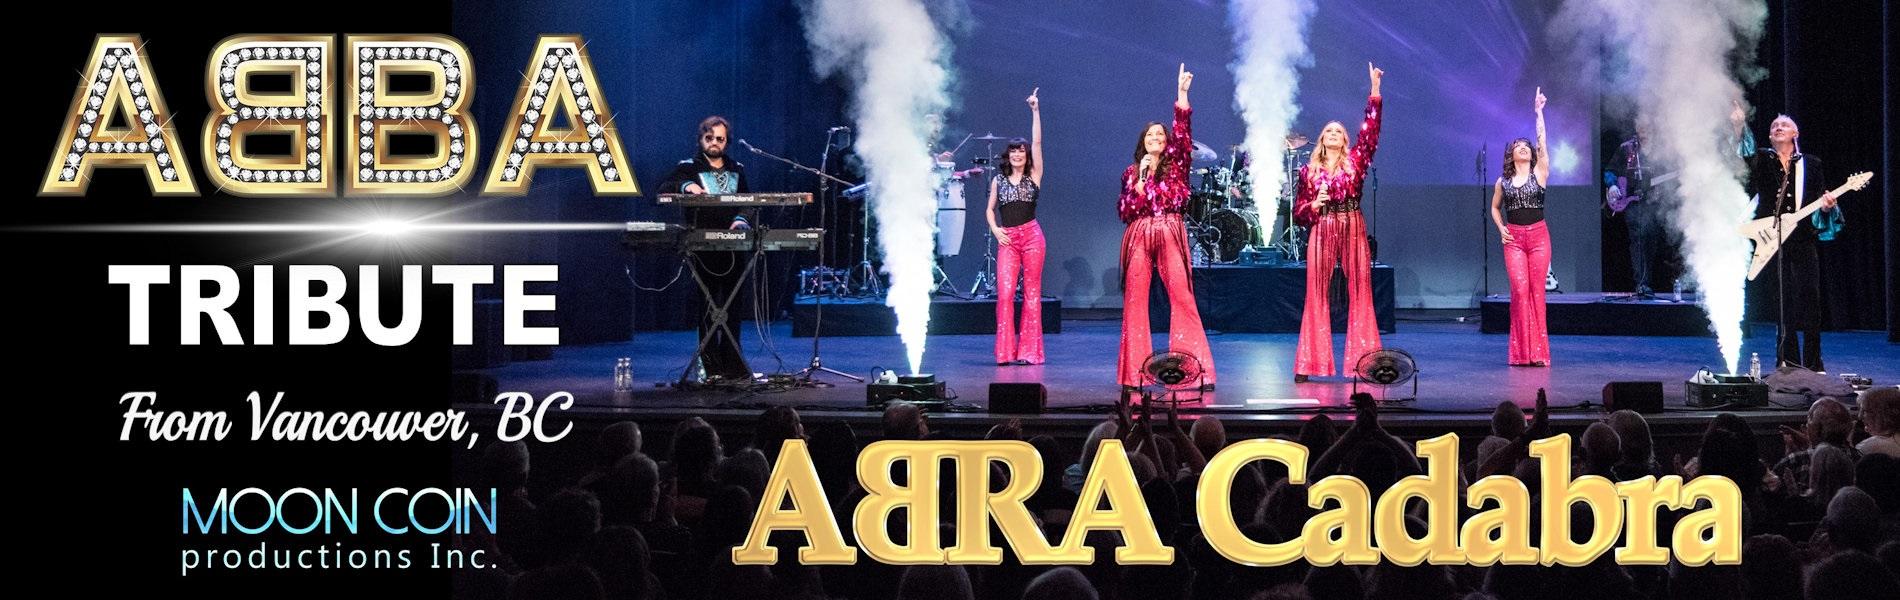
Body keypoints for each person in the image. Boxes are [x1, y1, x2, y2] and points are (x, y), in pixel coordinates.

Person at [1117, 64, 1216, 390]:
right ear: (1142, 144)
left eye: (1160, 134)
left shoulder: (1177, 167)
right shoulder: (1132, 173)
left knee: (1182, 296)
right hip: (1139, 234)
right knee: (1134, 301)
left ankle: (1193, 368)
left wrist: (1182, 97)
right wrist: (1141, 182)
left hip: (1170, 230)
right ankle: (1134, 373)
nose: (1156, 138)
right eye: (1150, 135)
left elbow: (1184, 134)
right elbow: (1125, 209)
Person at [1731, 104, 1843, 371]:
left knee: (1811, 300)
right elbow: (1744, 154)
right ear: (1770, 138)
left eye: (1784, 125)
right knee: (1784, 304)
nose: (1778, 128)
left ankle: (1814, 363)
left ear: (1796, 133)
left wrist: (1827, 205)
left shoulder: (1812, 164)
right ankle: (1788, 362)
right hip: (1773, 241)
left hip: (1803, 239)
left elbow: (1818, 198)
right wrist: (1738, 126)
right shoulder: (1762, 160)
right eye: (1773, 127)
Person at [1292, 63, 1385, 383]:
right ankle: (1310, 362)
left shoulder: (1357, 160)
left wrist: (1374, 91)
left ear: (1345, 139)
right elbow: (1298, 212)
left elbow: (1370, 133)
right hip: (1323, 226)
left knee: (1360, 289)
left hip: (1351, 222)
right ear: (1321, 140)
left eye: (1338, 131)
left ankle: (1364, 361)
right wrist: (1312, 205)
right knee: (1316, 292)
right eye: (1327, 130)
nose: (1333, 133)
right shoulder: (1308, 171)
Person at [658, 116, 754, 383]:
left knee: (733, 308)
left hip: (734, 246)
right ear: (701, 139)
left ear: (727, 141)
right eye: (709, 138)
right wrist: (685, 186)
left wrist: (741, 218)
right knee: (708, 308)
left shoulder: (737, 168)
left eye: (720, 139)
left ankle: (734, 365)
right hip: (703, 246)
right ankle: (710, 367)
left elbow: (747, 201)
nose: (714, 143)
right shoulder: (688, 167)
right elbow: (663, 187)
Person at [1490, 88, 1552, 366]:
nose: (1524, 148)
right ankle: (1520, 353)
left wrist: (1538, 112)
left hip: (1539, 237)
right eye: (1518, 146)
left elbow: (1542, 143)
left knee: (1537, 292)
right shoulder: (1502, 182)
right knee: (1519, 289)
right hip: (1513, 239)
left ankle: (1538, 353)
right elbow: (1494, 207)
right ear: (1511, 154)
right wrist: (1500, 227)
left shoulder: (1540, 173)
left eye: (1526, 146)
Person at [989, 88, 1046, 365]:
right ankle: (1004, 352)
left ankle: (1029, 352)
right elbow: (989, 210)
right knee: (1006, 294)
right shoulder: (998, 181)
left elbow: (1037, 142)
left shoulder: (1035, 175)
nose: (1017, 155)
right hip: (1008, 239)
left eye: (1020, 151)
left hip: (1032, 237)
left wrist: (1035, 111)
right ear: (1008, 155)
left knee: (1032, 294)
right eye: (1013, 151)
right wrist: (995, 229)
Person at [1606, 123, 1671, 296]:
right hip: (1633, 202)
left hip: (1653, 203)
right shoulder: (1627, 149)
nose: (1645, 129)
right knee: (1638, 240)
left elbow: (1666, 177)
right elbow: (1610, 170)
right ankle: (1641, 284)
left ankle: (1647, 281)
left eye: (1648, 126)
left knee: (1651, 242)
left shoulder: (1662, 150)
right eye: (1641, 126)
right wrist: (1612, 185)